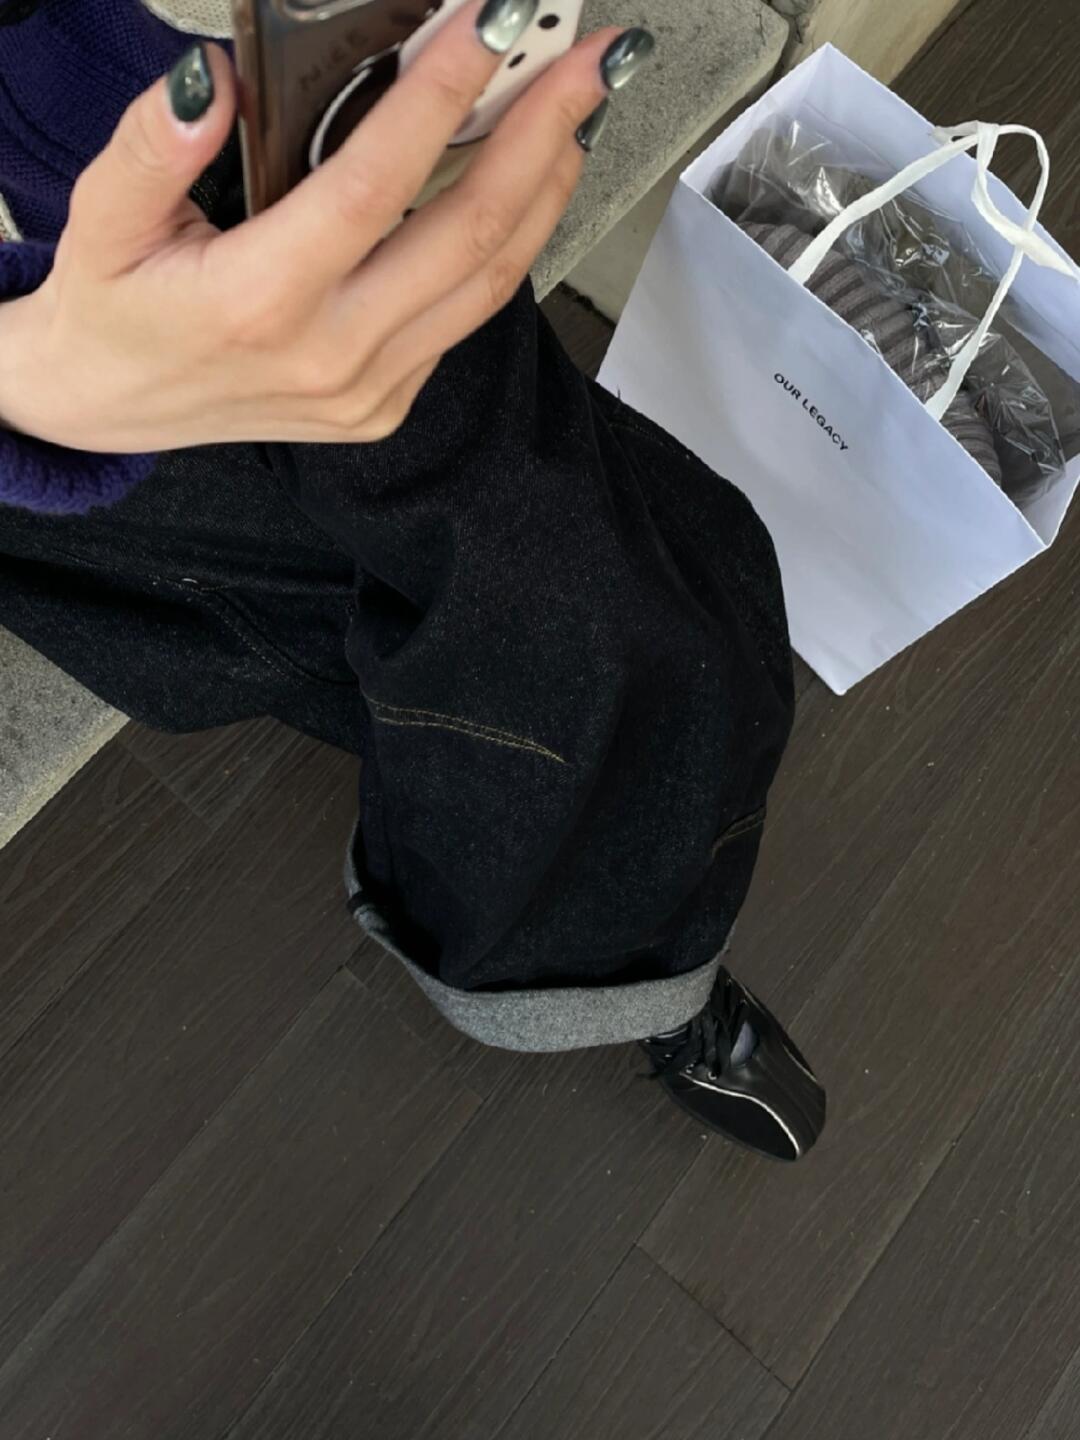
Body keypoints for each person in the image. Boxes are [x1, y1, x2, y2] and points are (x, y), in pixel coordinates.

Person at [0, 0, 825, 1160]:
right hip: (53, 340)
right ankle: (608, 948)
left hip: (208, 108)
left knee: (593, 600)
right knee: (577, 621)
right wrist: (30, 390)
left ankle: (605, 926)